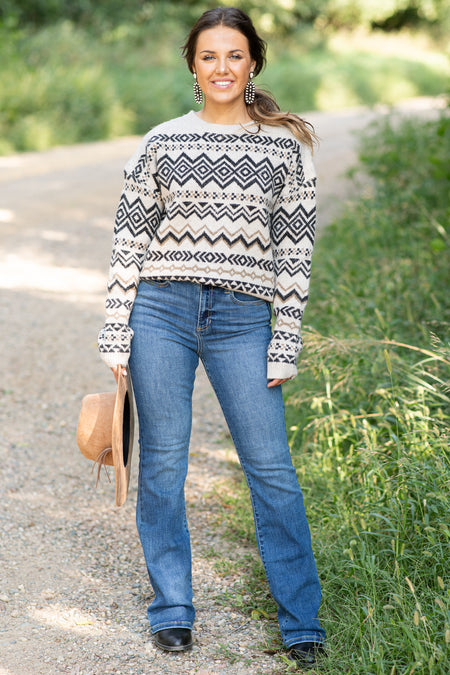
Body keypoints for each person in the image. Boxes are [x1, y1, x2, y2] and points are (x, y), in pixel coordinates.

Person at [98, 5, 326, 668]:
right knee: (164, 462)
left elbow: (294, 254)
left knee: (272, 468)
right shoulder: (161, 141)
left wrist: (285, 339)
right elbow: (129, 241)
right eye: (209, 56)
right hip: (160, 311)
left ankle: (301, 620)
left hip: (245, 318)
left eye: (234, 55)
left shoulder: (287, 147)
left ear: (253, 63)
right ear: (192, 68)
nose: (222, 67)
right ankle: (172, 608)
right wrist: (117, 332)